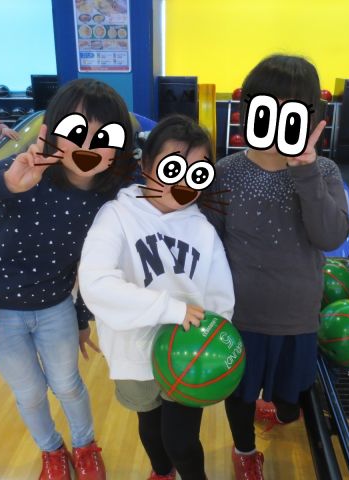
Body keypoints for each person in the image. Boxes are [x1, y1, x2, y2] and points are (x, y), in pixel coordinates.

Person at [0, 79, 136, 480]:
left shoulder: (110, 196)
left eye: (104, 137)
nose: (88, 146)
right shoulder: (24, 172)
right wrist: (3, 183)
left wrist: (81, 317)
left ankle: (86, 446)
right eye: (76, 131)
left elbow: (94, 265)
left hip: (55, 306)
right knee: (30, 393)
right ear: (51, 133)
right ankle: (51, 452)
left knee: (68, 384)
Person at [202, 55, 349, 479]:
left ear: (311, 118)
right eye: (268, 108)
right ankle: (245, 451)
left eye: (293, 111)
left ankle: (278, 406)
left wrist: (306, 173)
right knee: (240, 396)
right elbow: (206, 244)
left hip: (297, 318)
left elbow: (330, 236)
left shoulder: (324, 170)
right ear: (248, 111)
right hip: (241, 317)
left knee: (290, 401)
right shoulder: (224, 172)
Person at [79, 115, 235, 480]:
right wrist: (170, 309)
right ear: (147, 164)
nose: (183, 183)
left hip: (188, 356)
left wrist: (212, 343)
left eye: (196, 172)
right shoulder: (116, 215)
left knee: (181, 440)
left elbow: (220, 298)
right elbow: (96, 282)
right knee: (151, 430)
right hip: (134, 353)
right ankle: (161, 472)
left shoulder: (202, 230)